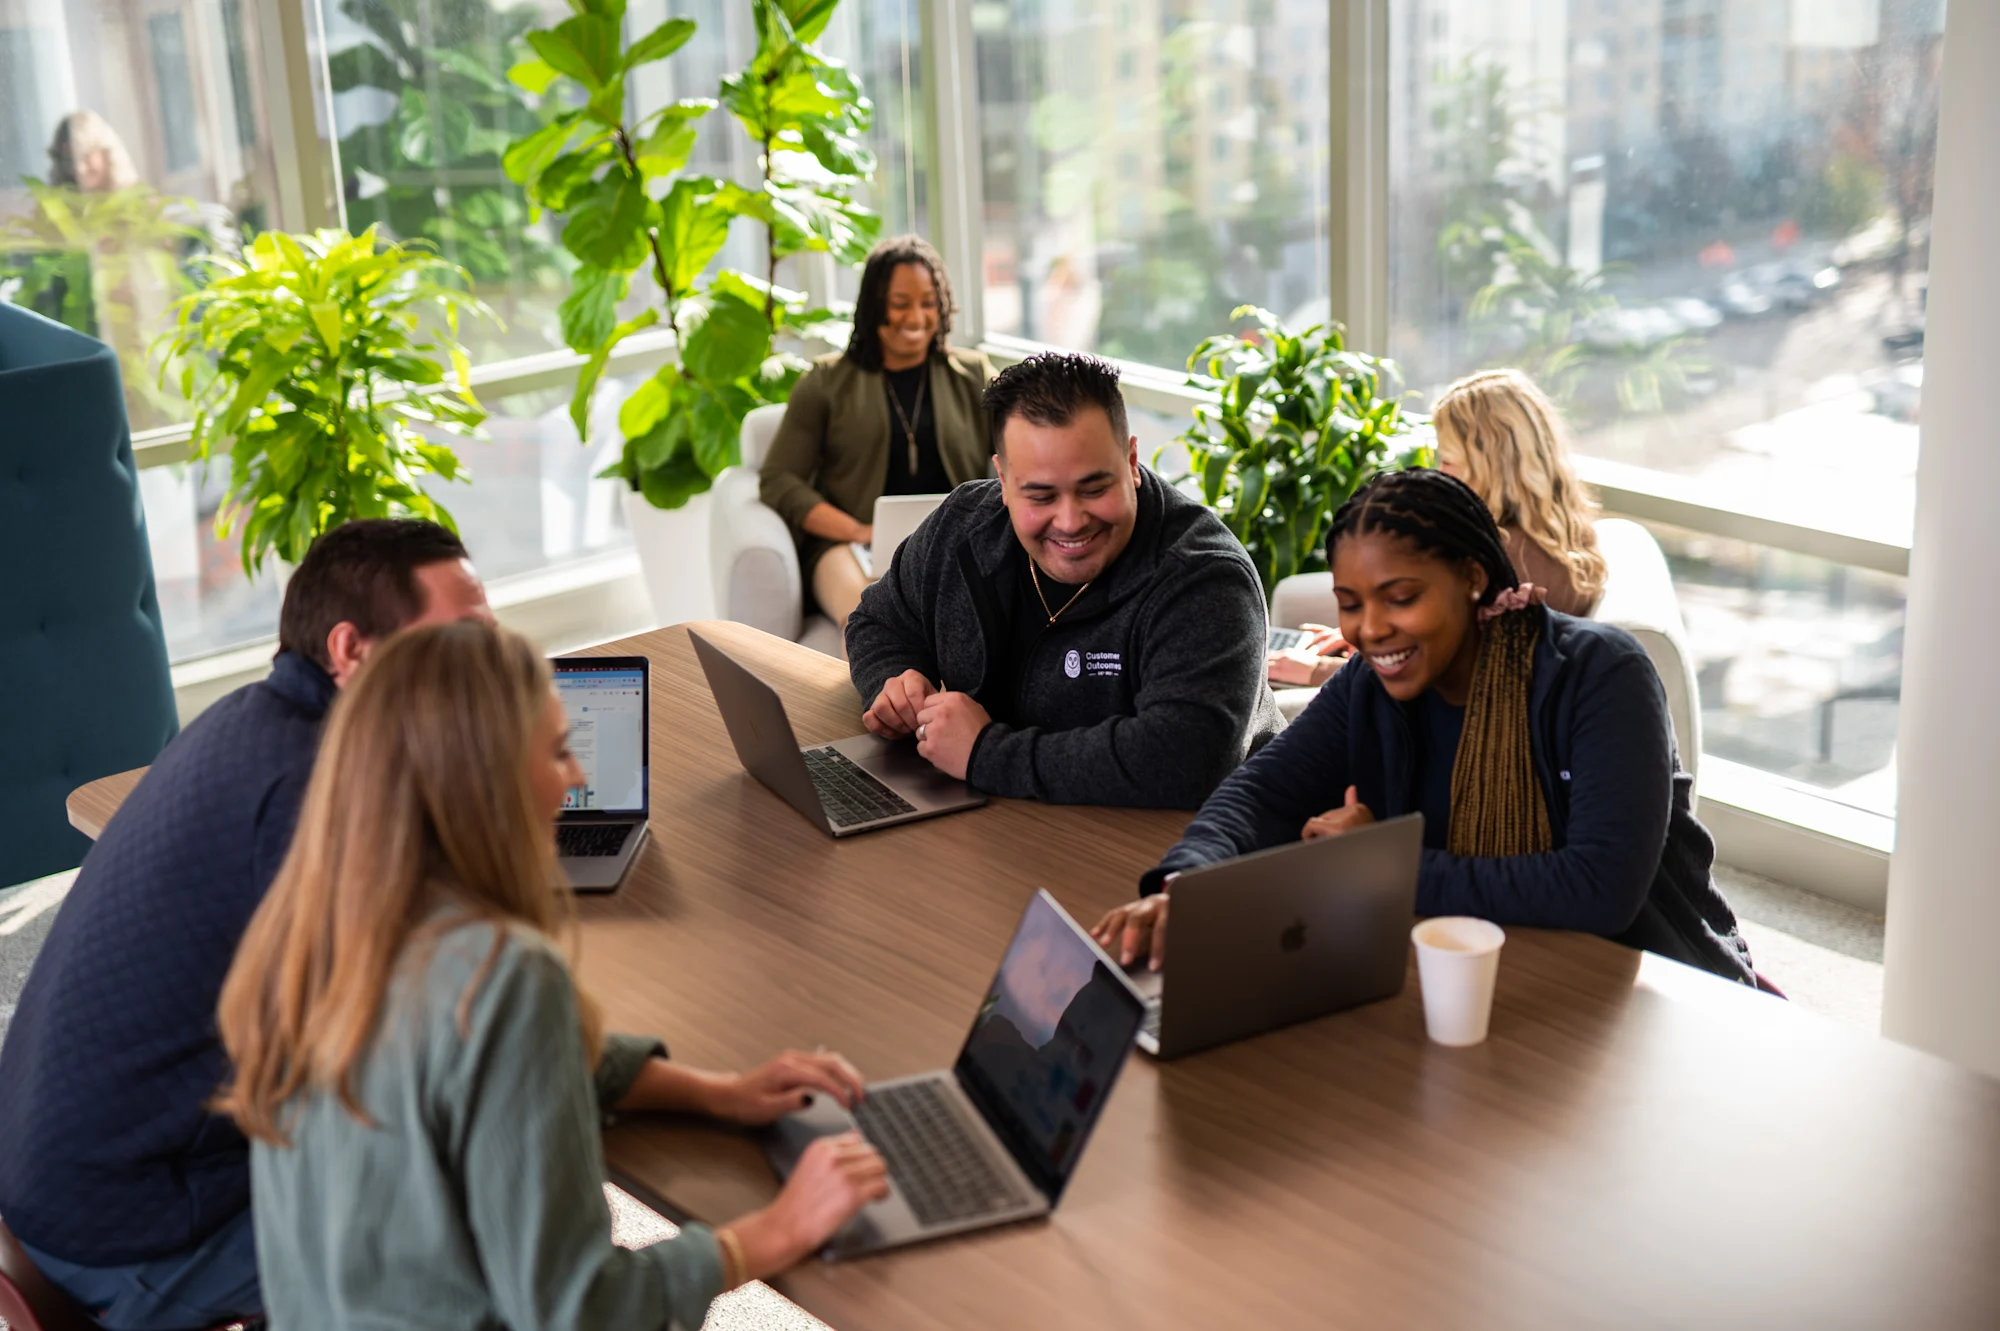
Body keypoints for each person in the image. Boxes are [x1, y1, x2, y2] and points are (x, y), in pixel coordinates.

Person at [216, 620, 887, 1328]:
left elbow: (486, 1073)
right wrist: (768, 1233)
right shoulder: (501, 978)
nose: (577, 778)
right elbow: (578, 1311)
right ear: (486, 784)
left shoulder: (313, 932)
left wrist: (717, 1093)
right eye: (560, 751)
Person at [0, 520, 492, 1329]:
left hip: (57, 1179)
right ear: (353, 650)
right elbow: (420, 1040)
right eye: (465, 636)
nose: (496, 656)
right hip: (130, 1238)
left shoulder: (249, 721)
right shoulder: (306, 798)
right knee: (492, 1235)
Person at [1092, 468, 1754, 984]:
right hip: (1473, 975)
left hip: (1651, 987)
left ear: (1471, 576)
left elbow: (1597, 889)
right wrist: (1188, 887)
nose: (1371, 628)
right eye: (1351, 604)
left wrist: (1373, 865)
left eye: (1400, 597)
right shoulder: (1371, 682)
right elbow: (1261, 790)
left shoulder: (1601, 676)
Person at [846, 350, 1283, 808]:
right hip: (1010, 824)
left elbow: (1188, 757)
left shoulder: (1206, 578)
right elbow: (877, 621)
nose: (1071, 522)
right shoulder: (962, 525)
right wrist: (894, 681)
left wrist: (983, 751)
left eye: (1094, 489)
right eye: (1040, 495)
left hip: (1191, 844)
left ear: (1131, 461)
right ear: (1003, 479)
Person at [1267, 367, 1606, 689]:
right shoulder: (1550, 534)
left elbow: (1442, 680)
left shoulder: (1509, 566)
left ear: (1489, 468)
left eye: (1447, 461)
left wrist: (1316, 671)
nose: (1439, 473)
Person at [759, 235, 996, 633]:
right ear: (873, 307)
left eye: (928, 302)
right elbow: (778, 480)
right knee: (866, 622)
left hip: (950, 544)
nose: (916, 318)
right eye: (900, 303)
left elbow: (1017, 449)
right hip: (847, 548)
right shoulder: (825, 382)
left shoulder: (973, 375)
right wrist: (857, 531)